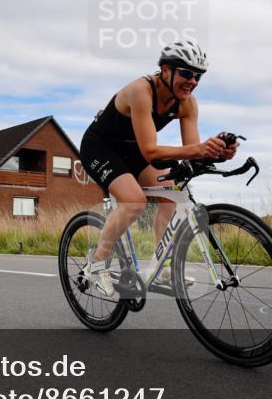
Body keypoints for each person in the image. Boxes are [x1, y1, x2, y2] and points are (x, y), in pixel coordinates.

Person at [79, 41, 239, 297]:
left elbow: (193, 151)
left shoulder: (187, 103)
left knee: (170, 195)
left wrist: (219, 153)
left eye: (198, 76)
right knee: (134, 203)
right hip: (101, 147)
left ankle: (162, 268)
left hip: (134, 150)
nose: (193, 81)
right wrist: (199, 148)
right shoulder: (140, 91)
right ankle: (97, 265)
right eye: (186, 73)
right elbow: (152, 152)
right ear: (166, 71)